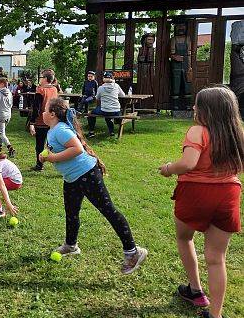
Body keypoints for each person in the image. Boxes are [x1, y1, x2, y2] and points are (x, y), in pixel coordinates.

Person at [159, 86, 243, 318]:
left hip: (195, 193)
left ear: (208, 110)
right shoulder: (238, 133)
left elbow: (188, 163)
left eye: (197, 104)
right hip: (228, 194)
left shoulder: (198, 131)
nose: (194, 108)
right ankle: (215, 315)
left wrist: (168, 169)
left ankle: (196, 290)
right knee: (217, 259)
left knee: (184, 238)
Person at [40, 97, 148, 274]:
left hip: (87, 174)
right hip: (72, 178)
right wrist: (46, 155)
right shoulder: (53, 130)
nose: (43, 113)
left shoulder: (60, 129)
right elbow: (56, 148)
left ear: (52, 114)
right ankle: (71, 245)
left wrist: (51, 158)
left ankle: (133, 252)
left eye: (45, 110)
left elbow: (77, 149)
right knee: (71, 213)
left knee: (108, 210)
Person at [29, 69, 58, 171]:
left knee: (40, 145)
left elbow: (36, 108)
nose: (39, 79)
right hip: (52, 122)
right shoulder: (54, 89)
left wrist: (32, 123)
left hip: (41, 121)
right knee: (54, 144)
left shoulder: (40, 90)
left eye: (41, 77)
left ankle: (39, 165)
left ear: (45, 79)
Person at [87, 71, 124, 138]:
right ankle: (111, 132)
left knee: (91, 114)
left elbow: (97, 98)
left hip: (105, 110)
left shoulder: (101, 88)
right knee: (108, 116)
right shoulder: (116, 86)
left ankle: (91, 132)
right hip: (116, 111)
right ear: (112, 79)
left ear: (104, 79)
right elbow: (123, 95)